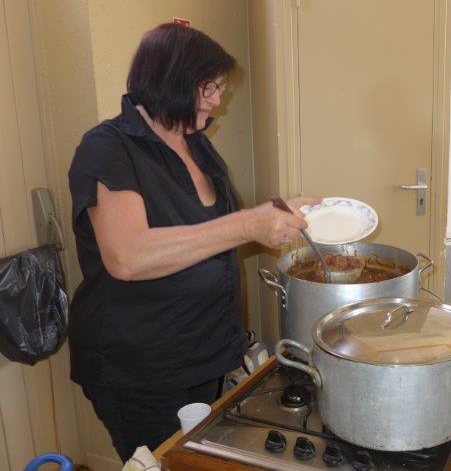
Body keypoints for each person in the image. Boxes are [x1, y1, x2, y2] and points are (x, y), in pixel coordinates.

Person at [67, 23, 318, 461]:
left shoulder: (196, 144)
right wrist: (248, 225)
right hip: (141, 370)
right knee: (164, 463)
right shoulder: (108, 147)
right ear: (169, 81)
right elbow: (128, 256)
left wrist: (273, 217)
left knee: (199, 462)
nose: (218, 100)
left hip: (206, 352)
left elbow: (213, 231)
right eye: (209, 87)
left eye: (219, 88)